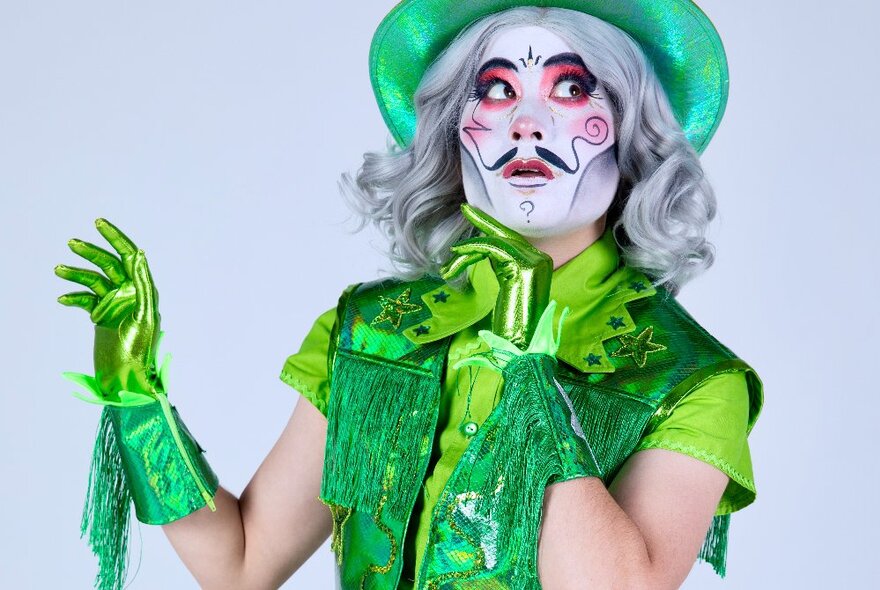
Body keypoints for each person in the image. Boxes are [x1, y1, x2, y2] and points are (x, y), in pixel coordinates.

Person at [55, 2, 763, 589]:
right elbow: (241, 564)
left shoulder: (691, 377)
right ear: (457, 129)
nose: (526, 121)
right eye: (495, 90)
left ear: (630, 130)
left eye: (572, 90)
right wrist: (136, 399)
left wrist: (525, 375)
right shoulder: (374, 331)